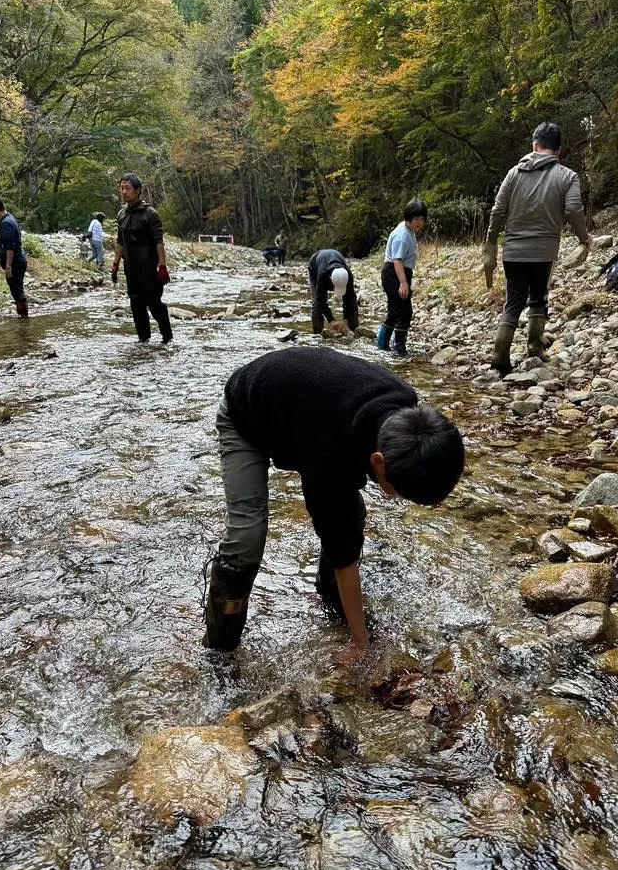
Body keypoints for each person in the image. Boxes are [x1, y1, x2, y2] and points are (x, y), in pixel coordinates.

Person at [203, 347, 465, 664]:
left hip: (303, 411)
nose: (395, 497)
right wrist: (360, 644)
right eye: (398, 491)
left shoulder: (406, 409)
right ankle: (219, 651)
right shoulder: (329, 455)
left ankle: (332, 600)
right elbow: (341, 547)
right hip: (246, 415)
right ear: (378, 462)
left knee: (350, 517)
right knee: (247, 537)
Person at [483, 121, 593, 376]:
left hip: (513, 251)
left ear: (534, 145)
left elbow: (498, 210)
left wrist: (490, 241)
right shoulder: (568, 176)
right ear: (559, 150)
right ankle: (534, 346)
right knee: (539, 298)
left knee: (512, 303)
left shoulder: (514, 173)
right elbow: (574, 209)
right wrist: (584, 238)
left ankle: (500, 356)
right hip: (544, 252)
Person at [111, 173, 173, 344]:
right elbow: (120, 241)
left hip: (150, 268)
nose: (124, 191)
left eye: (127, 188)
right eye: (121, 188)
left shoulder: (150, 214)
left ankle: (167, 337)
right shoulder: (121, 214)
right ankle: (143, 339)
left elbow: (158, 242)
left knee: (154, 304)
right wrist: (115, 264)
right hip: (131, 268)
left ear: (137, 190)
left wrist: (162, 266)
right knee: (136, 304)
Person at [377, 199, 427, 356]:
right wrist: (403, 283)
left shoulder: (407, 229)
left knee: (395, 310)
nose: (419, 222)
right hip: (395, 273)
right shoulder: (402, 235)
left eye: (422, 219)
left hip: (397, 272)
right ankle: (398, 349)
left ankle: (383, 346)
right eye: (416, 219)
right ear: (408, 218)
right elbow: (397, 260)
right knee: (403, 311)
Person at [0, 195, 29, 318]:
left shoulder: (6, 223)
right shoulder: (10, 218)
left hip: (15, 261)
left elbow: (10, 246)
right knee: (17, 290)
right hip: (19, 259)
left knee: (17, 291)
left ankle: (24, 320)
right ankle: (24, 319)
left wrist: (8, 266)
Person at [307, 249, 359, 334]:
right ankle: (317, 335)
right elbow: (321, 300)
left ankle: (354, 330)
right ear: (331, 281)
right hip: (315, 266)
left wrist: (345, 319)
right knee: (317, 304)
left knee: (352, 302)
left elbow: (350, 299)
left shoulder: (348, 275)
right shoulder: (322, 275)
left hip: (334, 258)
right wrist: (331, 320)